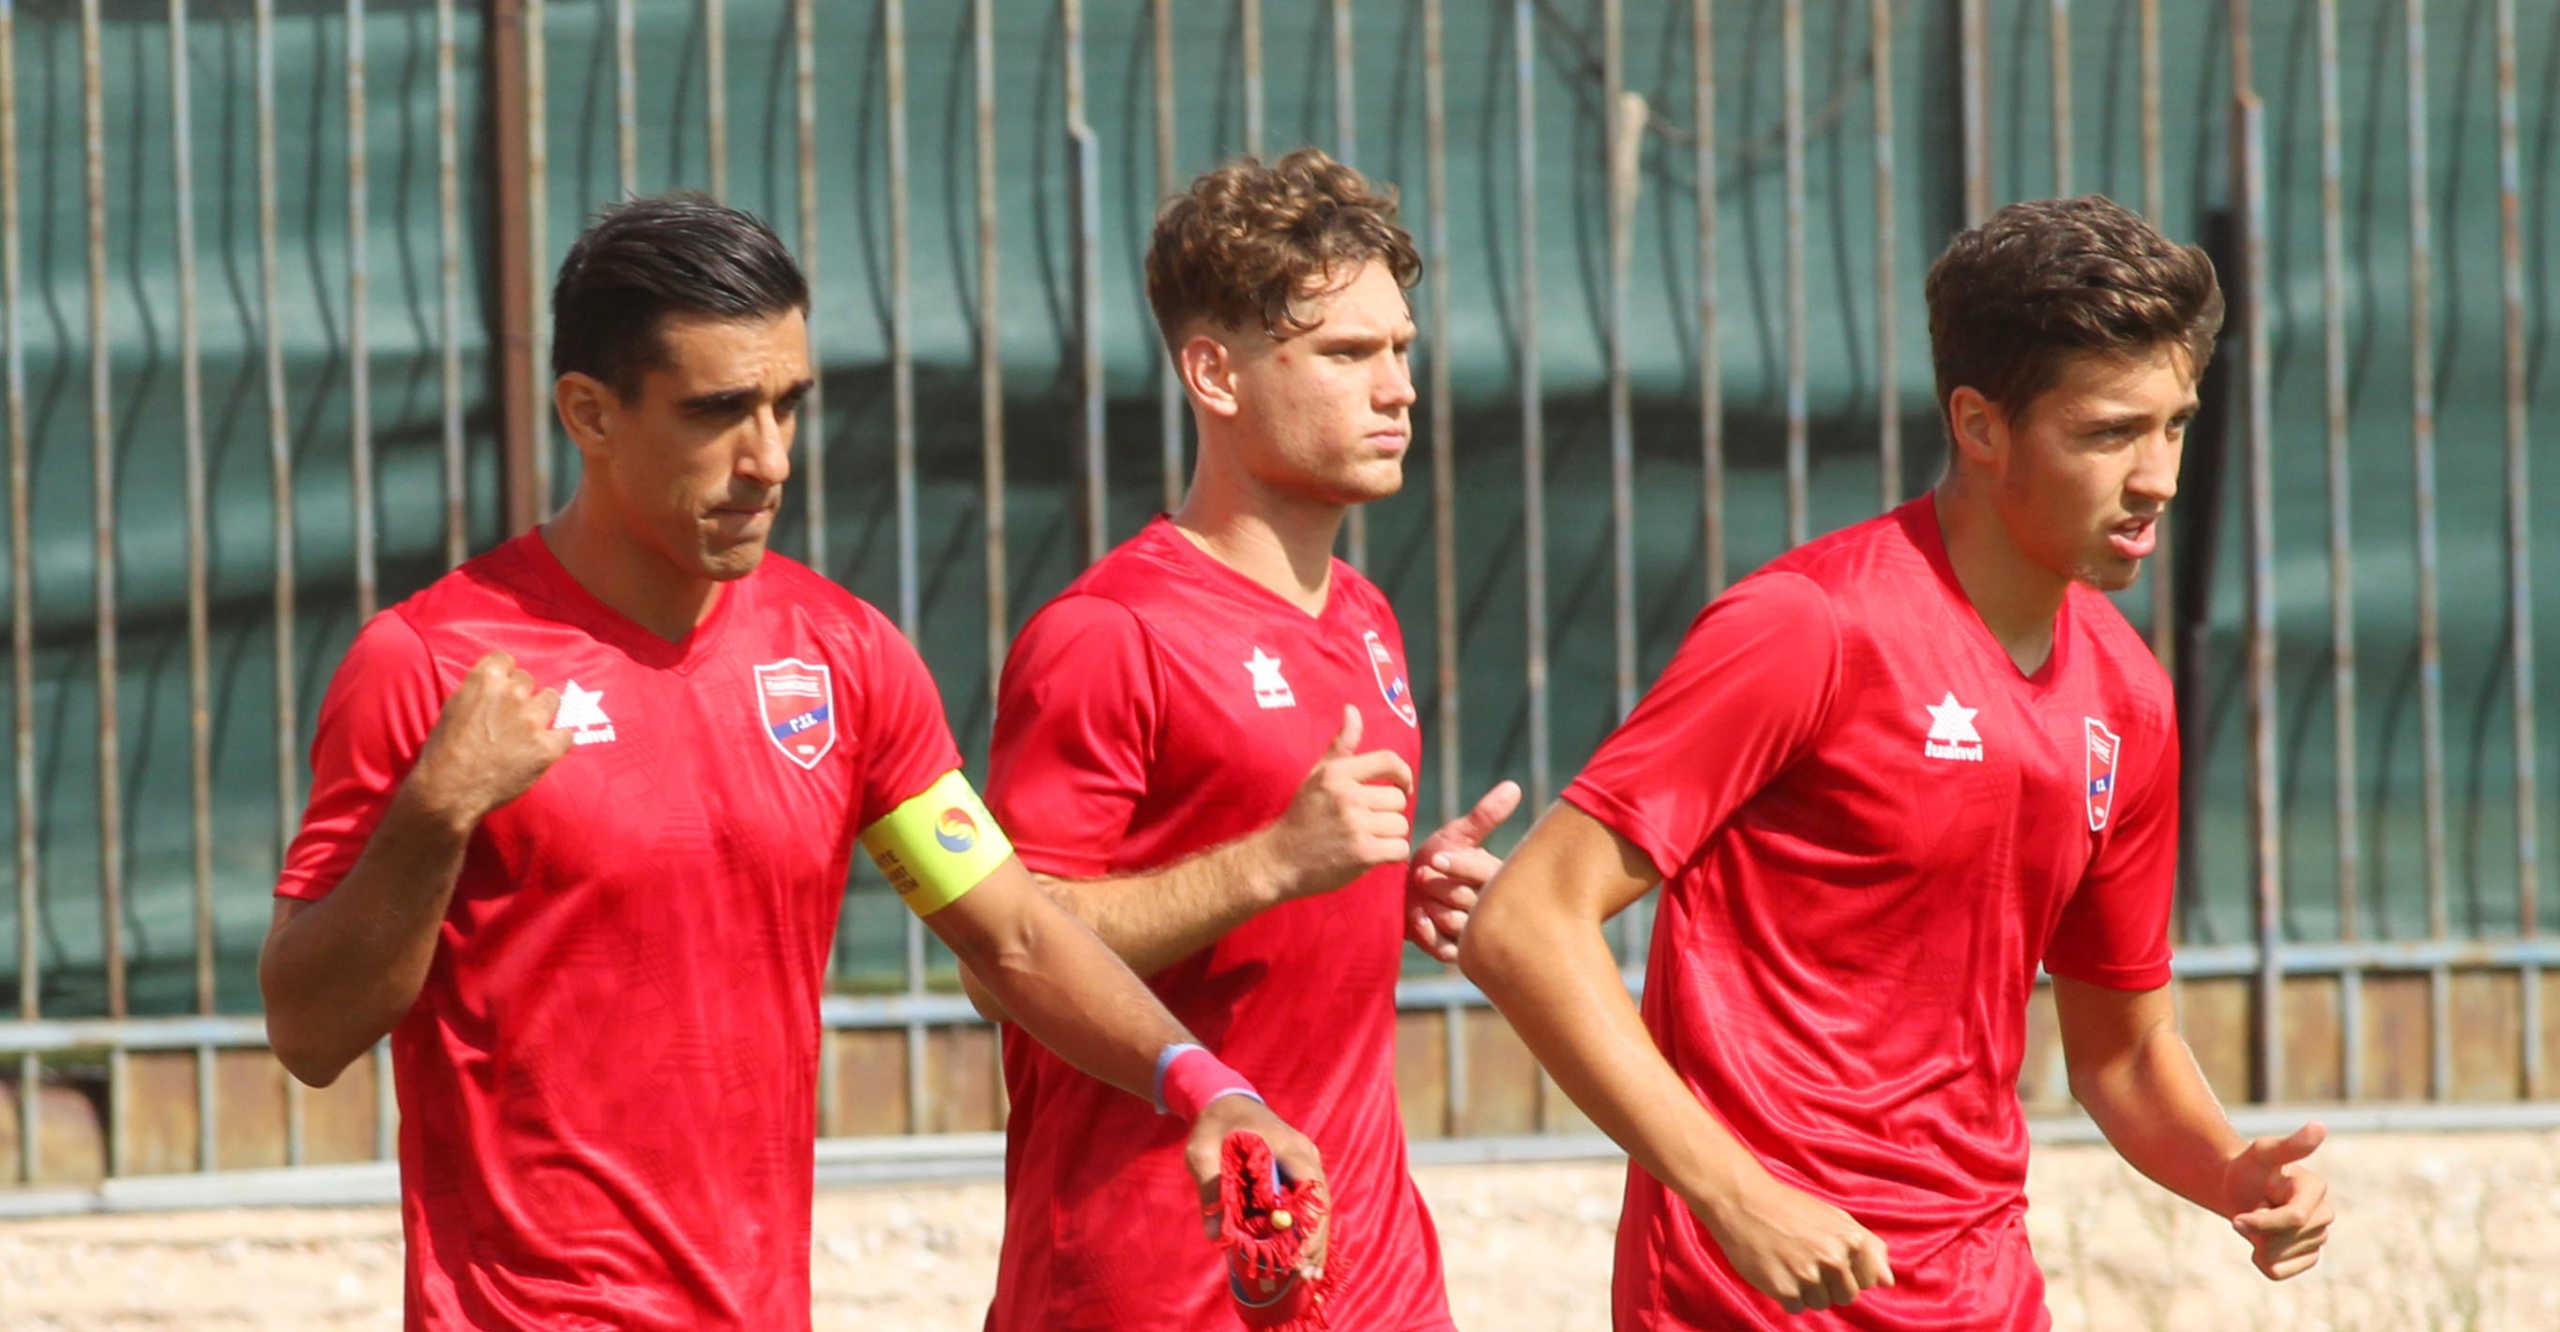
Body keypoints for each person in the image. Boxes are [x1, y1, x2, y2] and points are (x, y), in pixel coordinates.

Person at [255, 192, 1323, 1332]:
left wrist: (1205, 1084)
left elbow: (1009, 931)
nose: (768, 460)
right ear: (589, 414)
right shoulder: (430, 663)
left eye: (788, 406)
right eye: (718, 412)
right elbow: (310, 1036)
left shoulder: (842, 656)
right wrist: (434, 813)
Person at [1459, 195, 2335, 1329]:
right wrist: (1734, 1196)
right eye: (2109, 433)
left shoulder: (2129, 698)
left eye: (2174, 426)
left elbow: (2122, 1054)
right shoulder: (1807, 629)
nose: (2158, 476)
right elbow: (1528, 923)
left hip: (1982, 1293)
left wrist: (2227, 1171)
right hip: (1747, 1304)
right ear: (1979, 425)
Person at [962, 148, 1517, 1331]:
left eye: (1401, 349)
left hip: (1370, 1268)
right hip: (1155, 1282)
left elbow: (1283, 893)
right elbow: (1000, 953)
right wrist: (1273, 864)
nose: (1397, 389)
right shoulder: (1107, 633)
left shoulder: (1365, 615)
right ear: (1213, 373)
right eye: (1345, 355)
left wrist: (1390, 889)